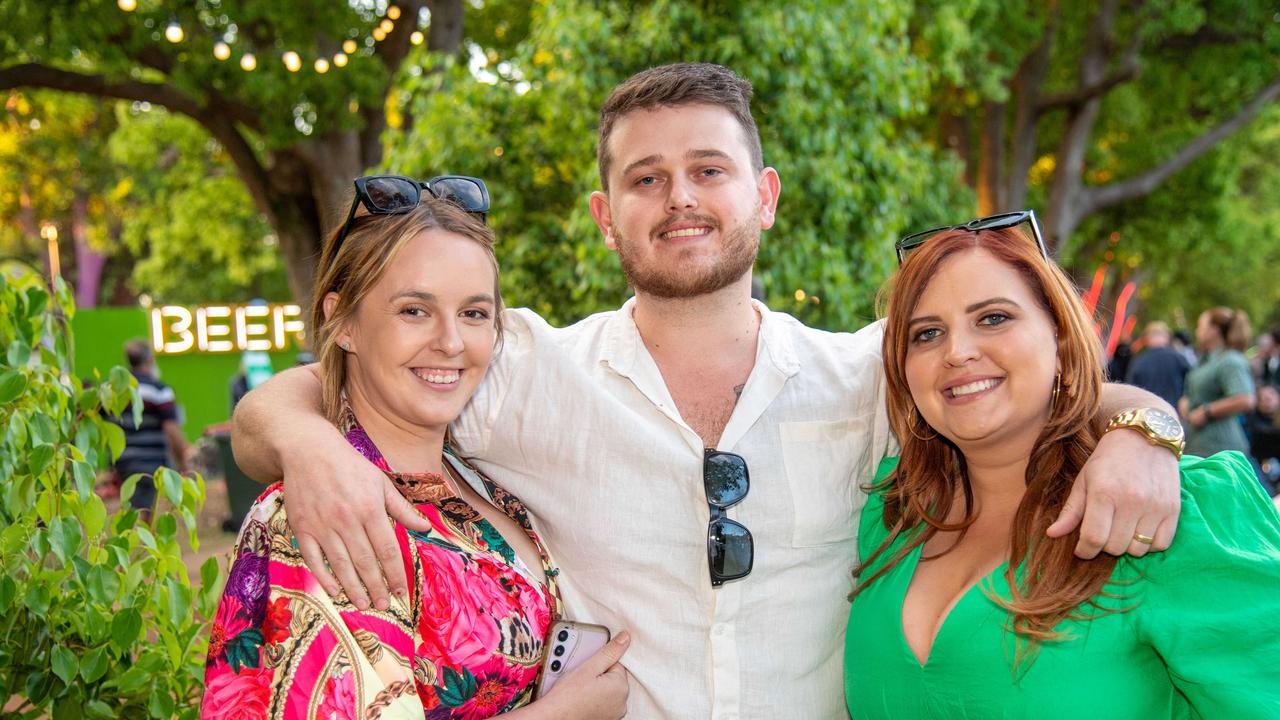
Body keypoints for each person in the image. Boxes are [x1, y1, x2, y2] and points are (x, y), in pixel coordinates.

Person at [232, 64, 1183, 718]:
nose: (680, 197)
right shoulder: (525, 372)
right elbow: (329, 378)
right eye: (646, 178)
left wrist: (1147, 426)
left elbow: (1032, 388)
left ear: (763, 196)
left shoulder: (868, 375)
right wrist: (309, 444)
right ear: (607, 217)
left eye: (708, 170)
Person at [201, 191, 628, 719]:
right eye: (414, 310)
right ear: (344, 323)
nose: (451, 342)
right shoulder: (321, 513)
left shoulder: (472, 473)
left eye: (474, 313)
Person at [844, 221, 1280, 718]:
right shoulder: (890, 511)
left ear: (1059, 336)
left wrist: (1144, 427)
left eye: (992, 318)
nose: (957, 352)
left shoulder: (1164, 508)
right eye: (928, 333)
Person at [112, 339, 192, 514]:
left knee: (132, 507)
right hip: (151, 463)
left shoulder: (117, 391)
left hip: (123, 463)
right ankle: (141, 541)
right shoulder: (159, 391)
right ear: (150, 360)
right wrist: (183, 461)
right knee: (146, 514)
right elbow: (171, 428)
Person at [1179, 307, 1256, 458]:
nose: (1197, 330)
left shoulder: (1230, 359)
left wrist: (1207, 411)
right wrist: (1185, 401)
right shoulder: (1205, 360)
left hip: (1221, 449)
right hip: (1198, 444)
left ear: (1213, 330)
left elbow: (1246, 399)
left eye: (1201, 326)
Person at [1124, 321, 1189, 409]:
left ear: (1146, 339)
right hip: (1175, 414)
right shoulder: (1178, 358)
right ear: (1167, 337)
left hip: (1149, 415)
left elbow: (1131, 391)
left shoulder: (1138, 362)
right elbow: (1191, 385)